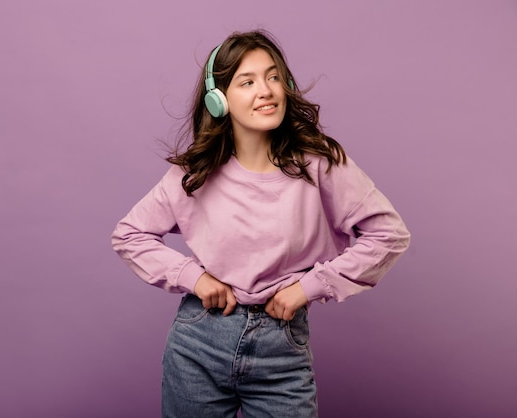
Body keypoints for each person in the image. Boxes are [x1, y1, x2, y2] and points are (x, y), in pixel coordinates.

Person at [111, 30, 410, 418]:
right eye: (247, 82)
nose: (265, 90)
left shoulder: (320, 163)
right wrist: (194, 277)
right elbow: (129, 235)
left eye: (272, 77)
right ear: (218, 100)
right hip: (198, 342)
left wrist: (309, 286)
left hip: (281, 347)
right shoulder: (195, 174)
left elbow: (389, 235)